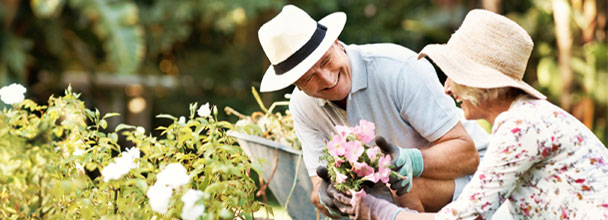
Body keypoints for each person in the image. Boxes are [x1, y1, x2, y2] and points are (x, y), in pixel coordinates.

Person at [329, 9, 608, 220]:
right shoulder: (521, 120)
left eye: (454, 75)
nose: (447, 88)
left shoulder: (521, 128)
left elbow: (463, 218)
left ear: (480, 82)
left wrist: (377, 209)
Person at [256, 5, 491, 217]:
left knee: (401, 185)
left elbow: (468, 156)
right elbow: (318, 189)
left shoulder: (398, 69)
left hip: (479, 181)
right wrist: (329, 198)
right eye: (308, 78)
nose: (327, 79)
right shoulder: (302, 106)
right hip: (393, 199)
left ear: (336, 42)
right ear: (296, 84)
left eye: (326, 61)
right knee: (375, 194)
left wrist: (413, 160)